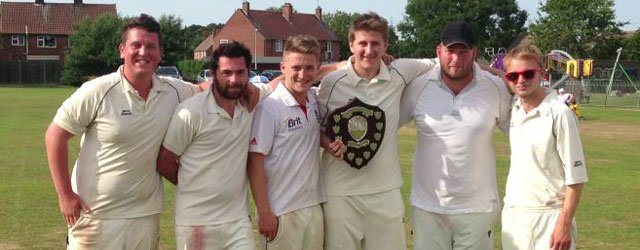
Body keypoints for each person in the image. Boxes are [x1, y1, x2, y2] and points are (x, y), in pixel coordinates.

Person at [44, 14, 208, 249]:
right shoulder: (97, 90)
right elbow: (54, 136)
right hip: (95, 216)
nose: (143, 52)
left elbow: (207, 88)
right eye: (136, 45)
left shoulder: (174, 91)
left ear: (160, 53)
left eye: (150, 46)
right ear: (122, 50)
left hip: (145, 217)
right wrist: (65, 195)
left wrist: (269, 87)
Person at [317, 12, 438, 250]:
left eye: (375, 44)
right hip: (340, 194)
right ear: (351, 44)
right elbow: (318, 128)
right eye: (362, 43)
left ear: (385, 45)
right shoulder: (332, 82)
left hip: (385, 192)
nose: (369, 50)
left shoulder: (401, 71)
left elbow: (446, 61)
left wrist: (501, 73)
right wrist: (327, 143)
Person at [399, 21, 512, 250]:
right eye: (450, 51)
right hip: (428, 209)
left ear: (474, 53)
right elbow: (386, 126)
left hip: (477, 210)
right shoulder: (418, 86)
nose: (456, 60)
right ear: (438, 51)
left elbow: (521, 135)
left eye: (463, 52)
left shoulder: (495, 87)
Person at [155, 41, 270, 250]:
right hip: (196, 222)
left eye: (240, 72)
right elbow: (165, 161)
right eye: (226, 73)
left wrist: (339, 66)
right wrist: (193, 181)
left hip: (238, 221)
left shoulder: (249, 103)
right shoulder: (190, 112)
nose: (234, 79)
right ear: (213, 73)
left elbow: (284, 82)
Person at [247, 34, 342, 250]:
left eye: (309, 68)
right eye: (296, 67)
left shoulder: (313, 100)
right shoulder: (269, 107)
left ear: (318, 69)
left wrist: (328, 144)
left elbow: (311, 131)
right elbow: (254, 163)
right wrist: (264, 213)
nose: (302, 75)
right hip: (281, 211)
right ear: (283, 68)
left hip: (313, 206)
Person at [501, 43, 587, 250]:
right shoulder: (514, 108)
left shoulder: (560, 113)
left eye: (528, 73)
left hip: (550, 217)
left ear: (540, 73)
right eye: (513, 76)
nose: (521, 80)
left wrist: (564, 224)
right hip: (514, 216)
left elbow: (576, 178)